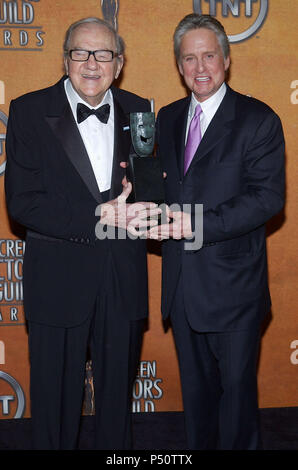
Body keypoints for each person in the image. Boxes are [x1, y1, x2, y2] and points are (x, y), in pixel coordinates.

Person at [5, 17, 156, 450]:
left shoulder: (139, 109)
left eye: (103, 53)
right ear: (65, 58)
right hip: (58, 280)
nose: (92, 63)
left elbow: (145, 195)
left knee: (116, 414)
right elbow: (23, 202)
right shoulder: (29, 110)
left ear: (120, 62)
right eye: (80, 52)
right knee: (53, 411)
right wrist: (97, 215)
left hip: (122, 280)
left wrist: (155, 208)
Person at [148, 14, 285, 450]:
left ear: (226, 58)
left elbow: (267, 199)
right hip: (182, 292)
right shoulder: (166, 118)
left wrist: (198, 224)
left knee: (237, 409)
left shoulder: (257, 119)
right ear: (178, 65)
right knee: (198, 411)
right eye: (189, 58)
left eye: (208, 55)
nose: (199, 67)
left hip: (234, 292)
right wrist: (138, 207)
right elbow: (160, 189)